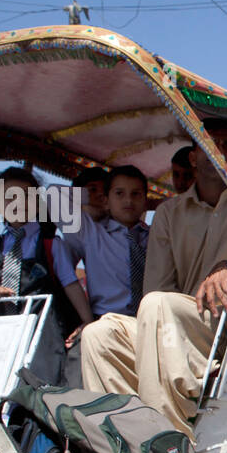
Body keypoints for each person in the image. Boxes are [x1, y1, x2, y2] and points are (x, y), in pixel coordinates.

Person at [79, 118, 227, 438]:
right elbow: (157, 288)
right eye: (209, 144)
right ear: (194, 157)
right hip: (175, 320)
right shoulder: (168, 213)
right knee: (99, 333)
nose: (219, 151)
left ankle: (167, 441)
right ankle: (117, 438)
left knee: (158, 307)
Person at [0, 166, 93, 382]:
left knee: (45, 381)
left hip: (44, 331)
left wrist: (88, 322)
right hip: (4, 329)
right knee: (4, 381)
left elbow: (70, 283)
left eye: (26, 196)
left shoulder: (51, 244)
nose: (18, 203)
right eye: (10, 198)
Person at [54, 164, 152, 386]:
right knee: (83, 382)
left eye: (136, 194)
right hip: (104, 321)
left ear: (146, 200)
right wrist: (93, 205)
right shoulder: (90, 231)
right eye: (119, 193)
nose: (128, 201)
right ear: (107, 199)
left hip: (149, 324)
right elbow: (54, 195)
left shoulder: (156, 236)